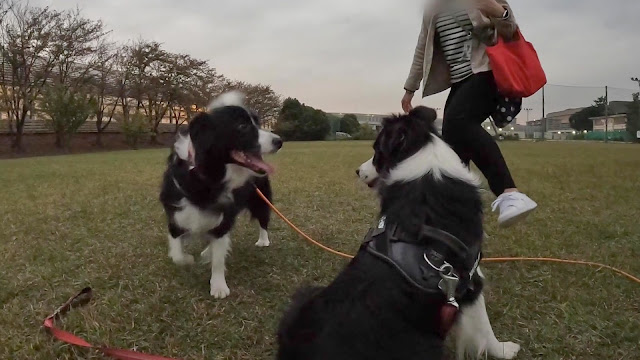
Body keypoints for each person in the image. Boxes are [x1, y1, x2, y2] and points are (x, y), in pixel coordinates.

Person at [401, 0, 537, 227]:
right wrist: (409, 89)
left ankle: (510, 193)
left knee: (459, 122)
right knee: (453, 142)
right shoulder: (433, 8)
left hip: (486, 72)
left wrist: (498, 11)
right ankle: (455, 210)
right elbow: (422, 48)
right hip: (460, 81)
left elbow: (510, 30)